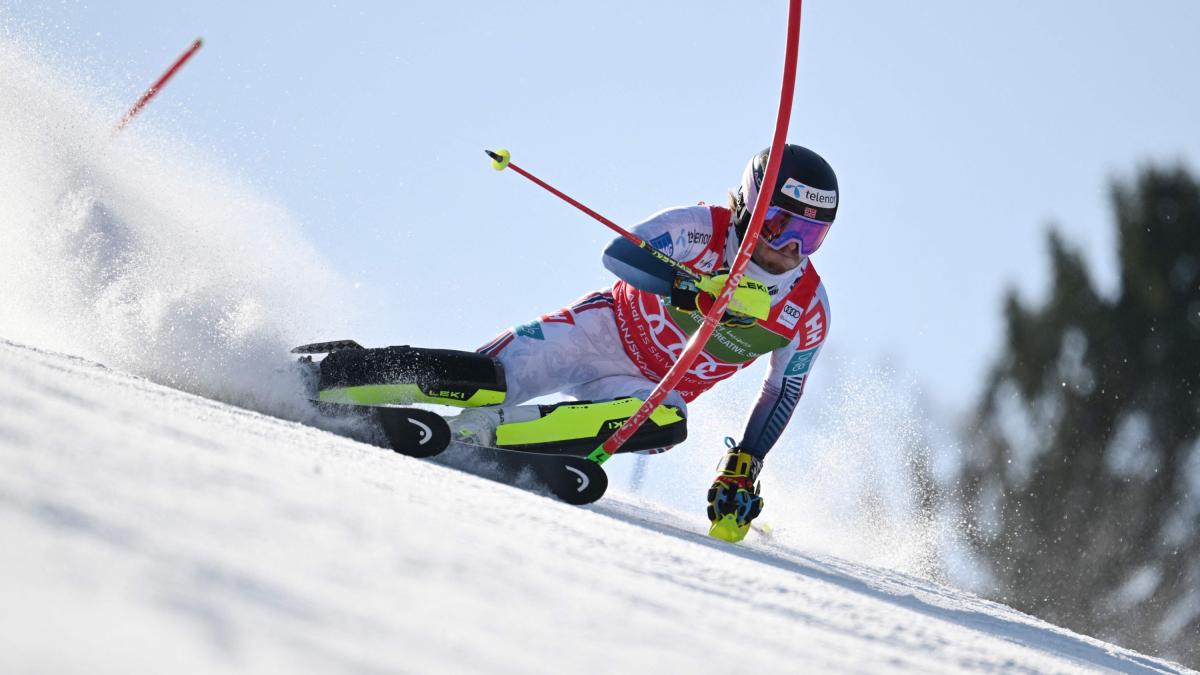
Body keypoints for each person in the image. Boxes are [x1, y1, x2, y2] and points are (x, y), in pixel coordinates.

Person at [312, 144, 837, 542]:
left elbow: (782, 390)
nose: (789, 248)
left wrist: (746, 462)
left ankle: (495, 433)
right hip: (598, 332)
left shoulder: (808, 308)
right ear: (749, 205)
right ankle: (344, 372)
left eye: (809, 238)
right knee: (488, 380)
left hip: (647, 386)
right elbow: (619, 256)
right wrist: (689, 287)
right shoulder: (701, 229)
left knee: (666, 421)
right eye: (777, 225)